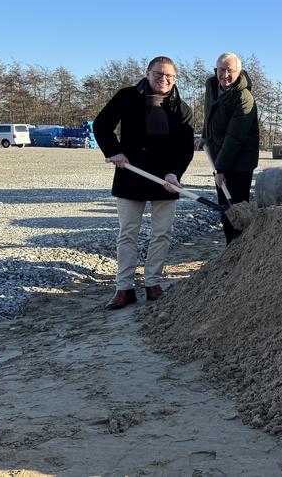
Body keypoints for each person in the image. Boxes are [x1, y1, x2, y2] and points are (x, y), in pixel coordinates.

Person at [94, 56, 195, 310]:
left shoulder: (182, 109)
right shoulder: (127, 96)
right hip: (130, 174)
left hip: (165, 180)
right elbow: (102, 125)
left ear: (175, 79)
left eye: (169, 76)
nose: (164, 80)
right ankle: (124, 288)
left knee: (162, 233)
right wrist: (113, 151)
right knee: (127, 233)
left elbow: (185, 148)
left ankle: (153, 283)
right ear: (147, 73)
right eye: (159, 74)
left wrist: (175, 173)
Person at [203, 52, 259, 244]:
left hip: (239, 164)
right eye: (222, 69)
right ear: (216, 70)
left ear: (239, 72)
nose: (225, 75)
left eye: (230, 70)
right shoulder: (212, 88)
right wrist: (204, 136)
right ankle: (230, 248)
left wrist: (221, 169)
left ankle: (240, 250)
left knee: (237, 210)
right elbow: (208, 115)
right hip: (220, 160)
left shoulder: (244, 97)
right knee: (225, 208)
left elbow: (235, 137)